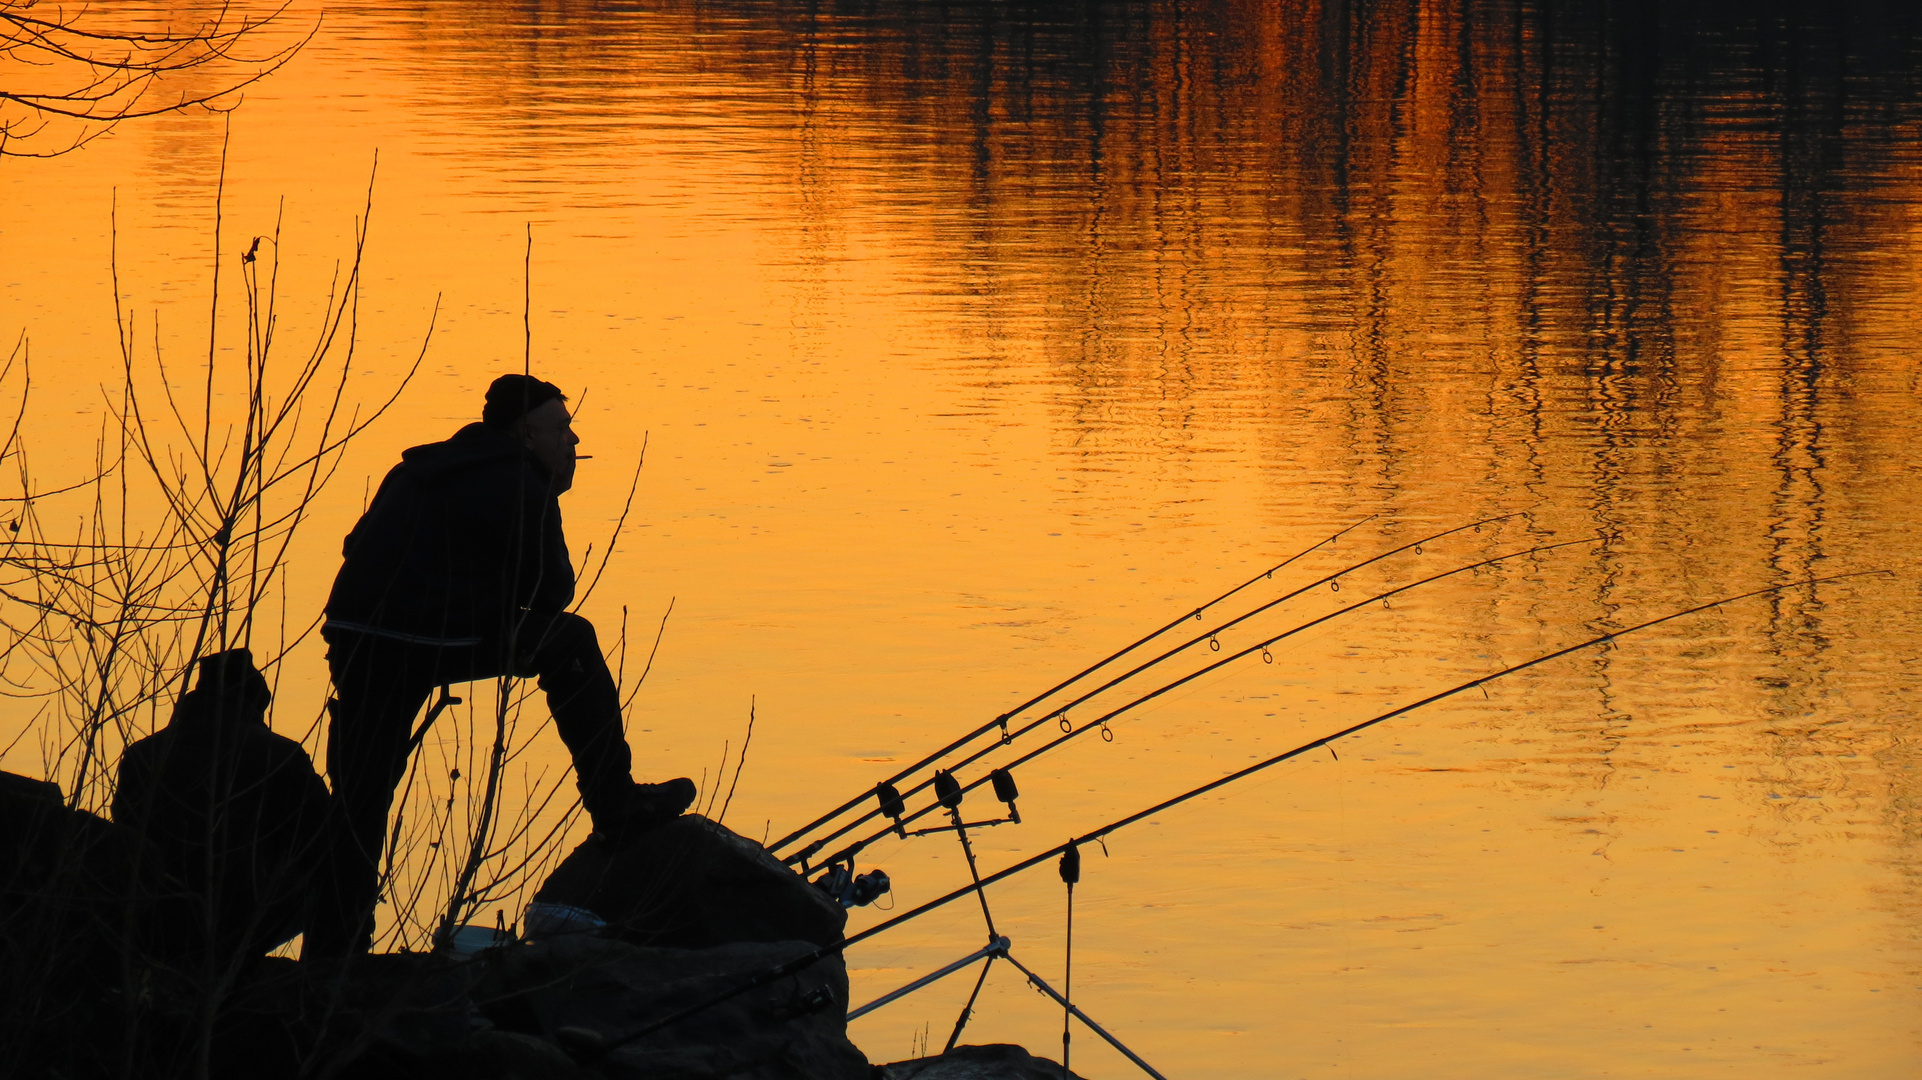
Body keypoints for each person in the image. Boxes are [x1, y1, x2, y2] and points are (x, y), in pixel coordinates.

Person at [306, 374, 693, 958]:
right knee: (570, 640)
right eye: (561, 427)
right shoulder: (520, 481)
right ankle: (617, 808)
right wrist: (552, 493)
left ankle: (334, 952)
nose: (572, 438)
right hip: (422, 637)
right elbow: (553, 593)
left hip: (354, 635)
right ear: (524, 432)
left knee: (361, 797)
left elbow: (353, 545)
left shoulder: (419, 468)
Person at [114, 648, 329, 966]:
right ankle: (321, 974)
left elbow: (127, 838)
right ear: (256, 700)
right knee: (335, 868)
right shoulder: (280, 756)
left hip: (156, 919)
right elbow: (323, 842)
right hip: (242, 920)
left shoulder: (141, 754)